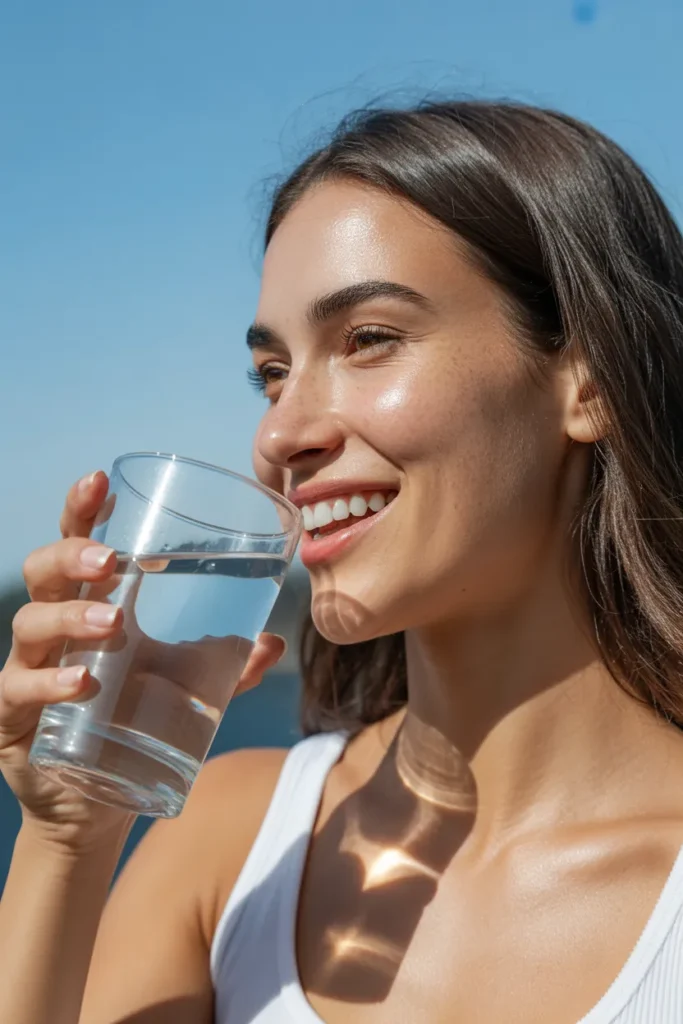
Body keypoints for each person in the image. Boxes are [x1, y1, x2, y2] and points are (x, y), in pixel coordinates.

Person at [2, 98, 683, 1024]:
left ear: (588, 377)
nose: (278, 435)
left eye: (367, 340)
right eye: (272, 374)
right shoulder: (229, 848)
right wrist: (66, 840)